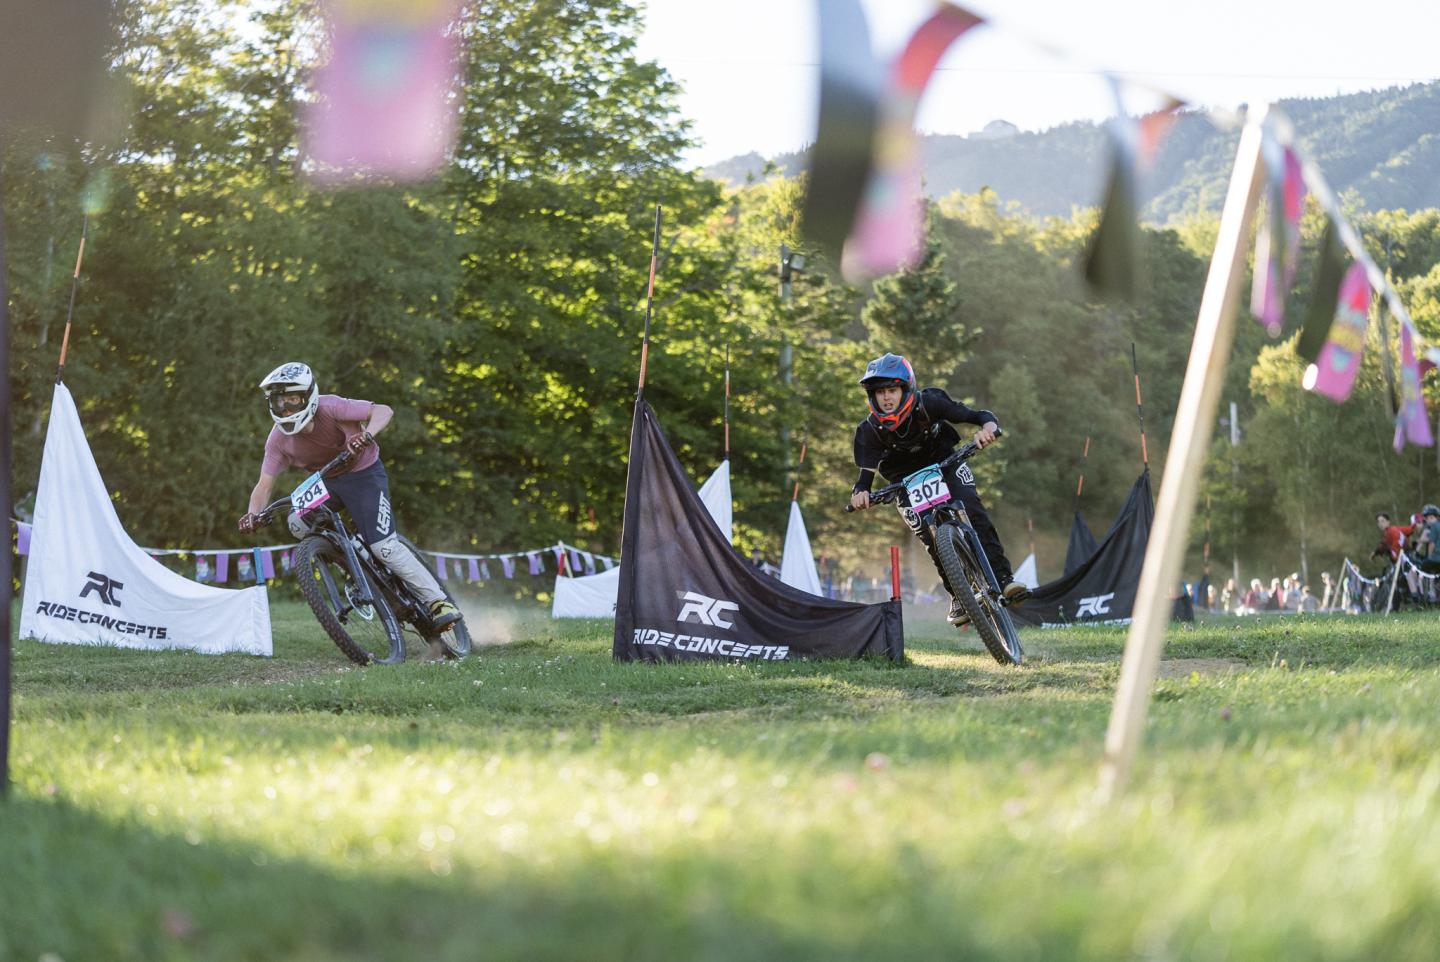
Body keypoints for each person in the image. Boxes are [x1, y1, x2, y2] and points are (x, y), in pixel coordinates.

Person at [237, 362, 462, 632]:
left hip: (364, 475)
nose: (285, 408)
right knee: (297, 522)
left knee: (384, 547)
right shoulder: (277, 440)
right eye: (279, 401)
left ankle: (438, 602)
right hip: (327, 483)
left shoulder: (331, 407)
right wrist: (253, 514)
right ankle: (354, 568)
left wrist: (367, 435)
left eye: (292, 399)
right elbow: (264, 486)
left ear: (308, 396)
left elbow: (383, 410)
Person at [847, 353, 1026, 627]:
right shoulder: (869, 430)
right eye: (880, 392)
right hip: (904, 480)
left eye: (892, 390)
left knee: (972, 509)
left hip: (945, 462)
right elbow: (864, 479)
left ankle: (1004, 579)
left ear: (905, 389)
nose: (886, 398)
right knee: (927, 535)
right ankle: (957, 595)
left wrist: (987, 430)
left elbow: (979, 416)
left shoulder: (929, 403)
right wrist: (860, 494)